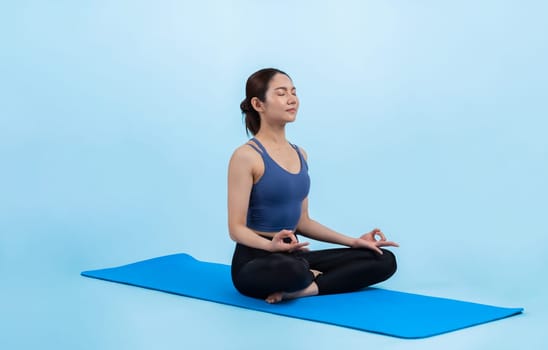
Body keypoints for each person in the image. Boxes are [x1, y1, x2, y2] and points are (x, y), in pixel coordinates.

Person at [228, 68, 398, 304]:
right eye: (281, 93)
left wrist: (354, 242)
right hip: (257, 260)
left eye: (293, 92)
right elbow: (236, 229)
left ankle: (307, 289)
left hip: (293, 254)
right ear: (258, 104)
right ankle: (311, 279)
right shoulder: (246, 156)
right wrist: (271, 246)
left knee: (383, 259)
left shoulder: (301, 154)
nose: (291, 99)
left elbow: (302, 221)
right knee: (294, 271)